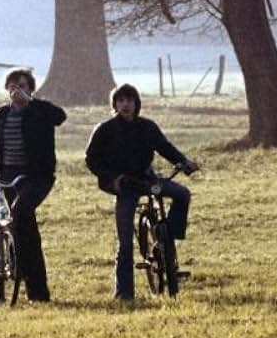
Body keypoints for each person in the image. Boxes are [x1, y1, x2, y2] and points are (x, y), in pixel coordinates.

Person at [85, 83, 198, 301]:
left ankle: (169, 239)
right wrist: (111, 179)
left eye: (130, 100)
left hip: (147, 179)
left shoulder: (147, 127)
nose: (125, 105)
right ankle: (124, 293)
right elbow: (91, 160)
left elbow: (165, 148)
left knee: (182, 194)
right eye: (121, 101)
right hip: (124, 185)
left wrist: (184, 162)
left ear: (137, 103)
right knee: (125, 241)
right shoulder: (105, 129)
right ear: (115, 104)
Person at [0, 67, 66, 302]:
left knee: (20, 211)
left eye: (21, 85)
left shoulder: (39, 111)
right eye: (12, 85)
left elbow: (60, 117)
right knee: (23, 228)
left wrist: (31, 103)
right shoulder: (0, 115)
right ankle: (34, 289)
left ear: (30, 88)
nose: (16, 90)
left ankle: (25, 274)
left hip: (36, 177)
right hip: (8, 176)